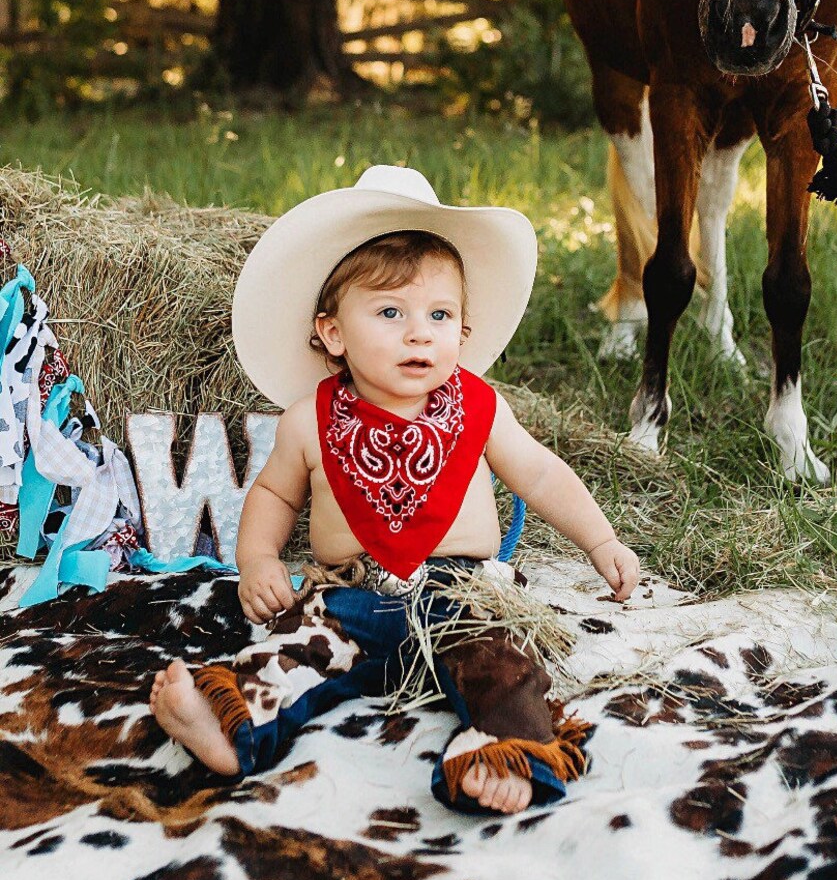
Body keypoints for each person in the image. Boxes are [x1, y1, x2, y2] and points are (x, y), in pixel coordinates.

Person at [149, 165, 640, 815]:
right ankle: (231, 722)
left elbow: (542, 472)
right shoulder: (309, 419)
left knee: (505, 666)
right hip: (351, 597)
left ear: (461, 333)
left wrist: (600, 538)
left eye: (439, 314)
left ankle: (502, 749)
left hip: (461, 591)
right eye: (390, 311)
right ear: (333, 332)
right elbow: (272, 495)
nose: (419, 331)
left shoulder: (480, 407)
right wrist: (259, 559)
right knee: (292, 650)